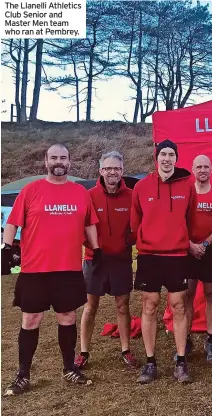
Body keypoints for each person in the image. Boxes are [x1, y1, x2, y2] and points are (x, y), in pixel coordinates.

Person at [3, 144, 99, 396]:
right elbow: (13, 222)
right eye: (54, 157)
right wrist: (5, 247)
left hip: (67, 269)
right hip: (35, 269)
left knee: (67, 317)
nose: (59, 161)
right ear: (45, 161)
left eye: (63, 158)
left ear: (70, 162)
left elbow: (89, 223)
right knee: (30, 320)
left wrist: (96, 249)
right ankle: (23, 375)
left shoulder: (80, 192)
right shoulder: (31, 190)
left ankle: (69, 368)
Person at [131, 139, 196, 384]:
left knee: (179, 305)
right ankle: (150, 362)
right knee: (150, 305)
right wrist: (148, 240)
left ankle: (181, 361)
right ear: (156, 157)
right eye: (163, 154)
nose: (167, 159)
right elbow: (135, 221)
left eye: (171, 155)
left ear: (176, 158)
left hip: (177, 255)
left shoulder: (187, 184)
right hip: (149, 256)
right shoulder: (142, 186)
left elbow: (190, 217)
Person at [75, 151, 138, 371]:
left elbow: (138, 224)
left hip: (121, 260)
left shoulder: (132, 195)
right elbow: (80, 225)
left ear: (122, 171)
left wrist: (130, 241)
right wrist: (91, 246)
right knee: (90, 307)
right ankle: (83, 352)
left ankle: (126, 349)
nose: (112, 172)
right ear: (101, 171)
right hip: (95, 260)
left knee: (123, 306)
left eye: (117, 168)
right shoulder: (89, 195)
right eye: (108, 168)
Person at [184, 154, 212, 363]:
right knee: (187, 294)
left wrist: (205, 245)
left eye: (206, 167)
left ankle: (210, 340)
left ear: (211, 170)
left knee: (211, 293)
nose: (202, 170)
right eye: (198, 166)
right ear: (192, 169)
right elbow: (179, 223)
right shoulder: (185, 193)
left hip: (210, 250)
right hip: (188, 250)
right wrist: (191, 246)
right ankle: (186, 339)